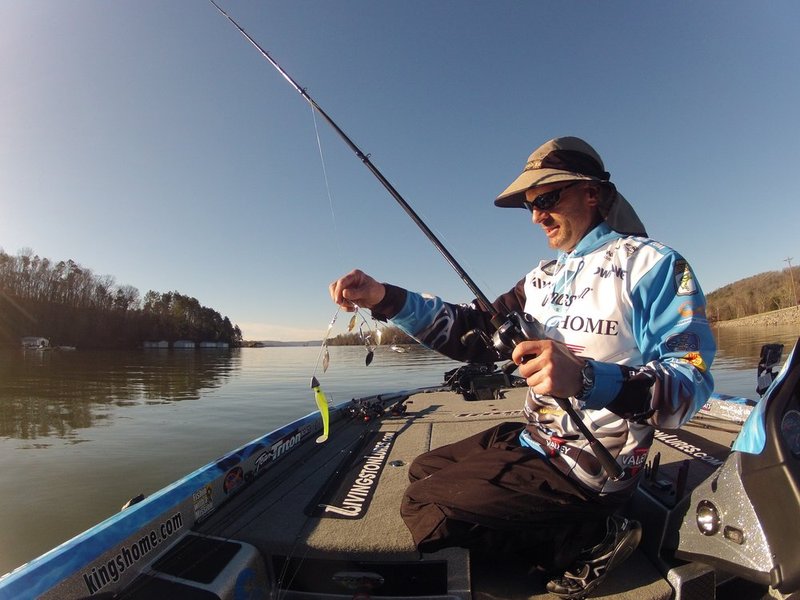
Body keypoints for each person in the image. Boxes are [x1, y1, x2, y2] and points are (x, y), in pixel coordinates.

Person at [329, 136, 715, 599]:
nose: (536, 216)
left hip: (591, 468)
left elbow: (690, 382)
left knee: (423, 506)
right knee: (420, 471)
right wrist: (383, 298)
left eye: (547, 199)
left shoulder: (654, 265)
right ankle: (562, 528)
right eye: (531, 206)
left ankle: (585, 539)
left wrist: (589, 378)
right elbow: (470, 332)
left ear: (591, 193)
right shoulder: (540, 279)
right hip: (534, 439)